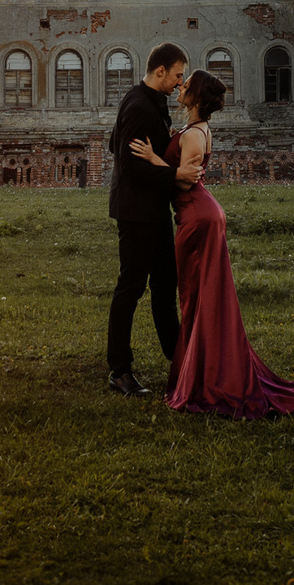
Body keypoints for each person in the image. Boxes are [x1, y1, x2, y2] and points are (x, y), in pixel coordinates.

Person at [130, 69, 294, 420]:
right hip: (199, 215)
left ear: (195, 97)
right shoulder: (193, 129)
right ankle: (200, 370)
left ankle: (206, 378)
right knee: (198, 297)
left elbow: (184, 182)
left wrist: (152, 158)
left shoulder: (195, 134)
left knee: (197, 297)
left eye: (186, 84)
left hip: (198, 217)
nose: (181, 86)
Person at [105, 42, 186, 396]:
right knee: (132, 287)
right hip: (136, 213)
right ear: (160, 71)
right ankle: (120, 371)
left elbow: (114, 143)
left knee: (166, 284)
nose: (180, 83)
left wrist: (159, 158)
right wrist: (174, 174)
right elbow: (128, 166)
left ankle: (180, 359)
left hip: (153, 210)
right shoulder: (138, 104)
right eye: (178, 75)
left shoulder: (149, 100)